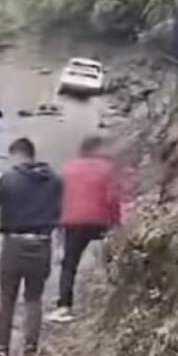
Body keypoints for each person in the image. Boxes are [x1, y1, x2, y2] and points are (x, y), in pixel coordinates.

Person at [0, 137, 62, 356]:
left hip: (14, 245)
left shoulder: (8, 179)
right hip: (42, 244)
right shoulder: (54, 180)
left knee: (7, 299)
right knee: (34, 298)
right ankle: (31, 348)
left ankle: (2, 350)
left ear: (17, 155)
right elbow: (62, 211)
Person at [50, 135, 122, 322]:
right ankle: (112, 292)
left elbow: (58, 199)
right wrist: (117, 223)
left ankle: (65, 306)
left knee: (69, 265)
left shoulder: (68, 169)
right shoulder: (107, 169)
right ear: (99, 149)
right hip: (100, 221)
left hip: (73, 223)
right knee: (110, 257)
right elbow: (113, 198)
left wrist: (58, 224)